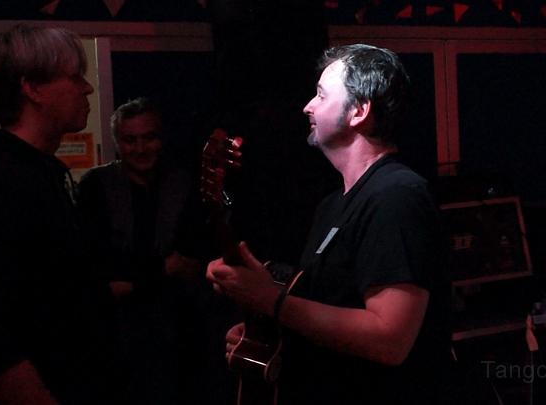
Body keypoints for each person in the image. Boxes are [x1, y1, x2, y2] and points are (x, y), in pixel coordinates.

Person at [206, 44, 451, 404]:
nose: (308, 106)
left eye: (321, 95)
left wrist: (271, 300)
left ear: (359, 111)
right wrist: (268, 333)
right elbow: (327, 312)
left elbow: (390, 339)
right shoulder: (333, 205)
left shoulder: (396, 196)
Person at [0, 25, 124, 404]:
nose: (87, 88)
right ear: (32, 88)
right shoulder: (4, 185)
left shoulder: (36, 175)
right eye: (74, 76)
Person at [76, 97, 209, 404]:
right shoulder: (96, 186)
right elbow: (99, 271)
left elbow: (193, 261)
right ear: (117, 143)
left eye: (148, 138)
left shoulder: (182, 184)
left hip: (177, 335)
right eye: (130, 140)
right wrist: (163, 269)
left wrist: (134, 277)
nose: (140, 148)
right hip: (114, 339)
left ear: (161, 139)